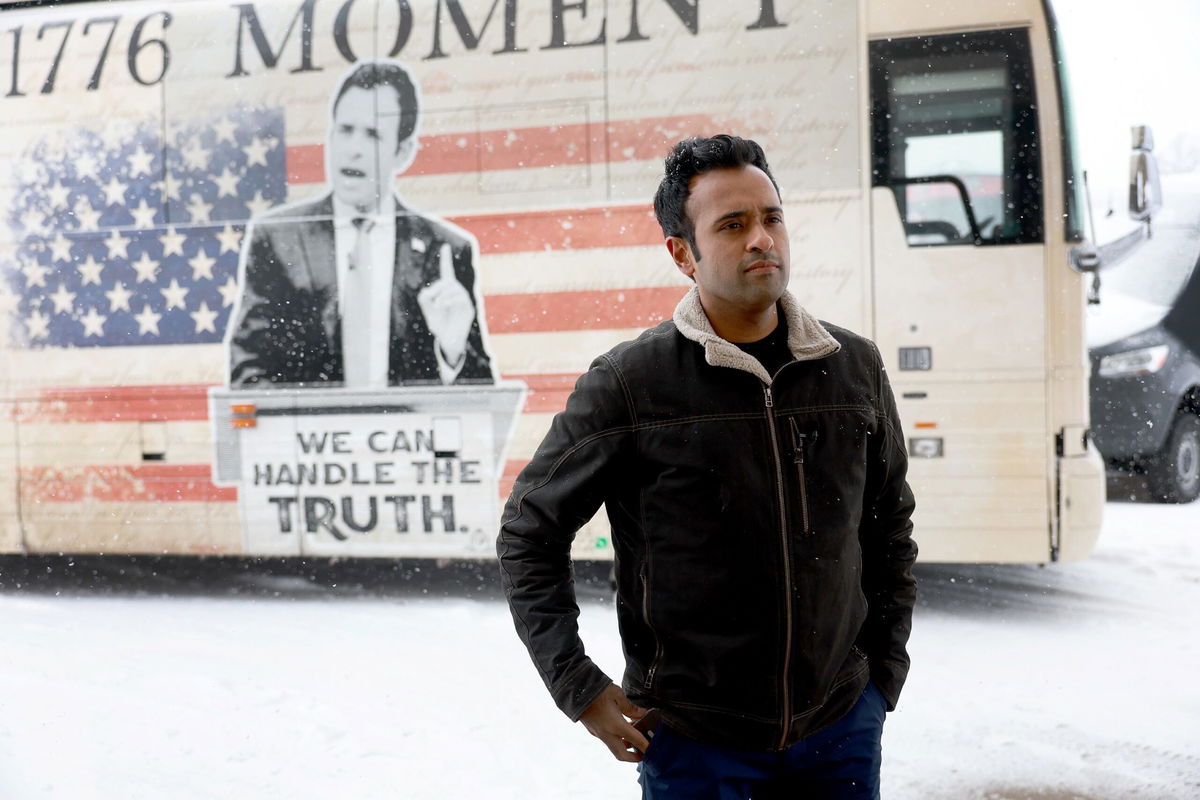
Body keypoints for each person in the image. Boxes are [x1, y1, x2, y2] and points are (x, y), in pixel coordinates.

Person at [497, 134, 916, 799]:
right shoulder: (630, 385)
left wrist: (882, 674)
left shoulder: (854, 367)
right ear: (682, 254)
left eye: (771, 217)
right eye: (733, 224)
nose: (761, 239)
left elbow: (889, 523)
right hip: (696, 745)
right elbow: (529, 530)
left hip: (838, 732)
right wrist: (577, 685)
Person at [227, 59, 493, 389]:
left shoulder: (445, 250)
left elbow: (481, 396)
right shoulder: (279, 238)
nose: (352, 149)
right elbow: (247, 370)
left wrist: (452, 351)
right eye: (345, 130)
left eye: (372, 135)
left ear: (403, 152)